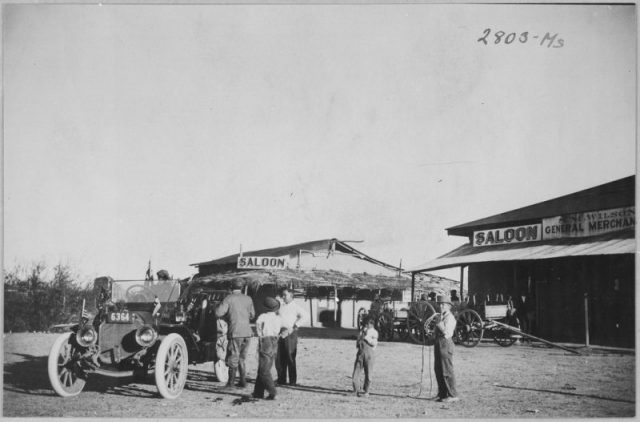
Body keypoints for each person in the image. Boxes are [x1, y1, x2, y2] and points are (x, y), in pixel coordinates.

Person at [215, 279, 255, 389]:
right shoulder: (248, 299)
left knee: (233, 358)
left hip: (235, 332)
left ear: (231, 288)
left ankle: (230, 384)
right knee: (242, 358)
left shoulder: (229, 298)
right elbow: (252, 315)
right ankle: (243, 382)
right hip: (247, 332)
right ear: (241, 288)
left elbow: (218, 312)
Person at [253, 297, 282, 400]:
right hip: (275, 340)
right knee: (265, 367)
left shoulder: (262, 317)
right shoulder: (278, 318)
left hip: (265, 340)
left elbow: (258, 328)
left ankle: (273, 392)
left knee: (263, 370)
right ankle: (258, 392)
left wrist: (260, 336)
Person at [432, 294, 459, 403]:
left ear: (449, 306)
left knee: (447, 370)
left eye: (444, 304)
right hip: (438, 343)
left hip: (446, 343)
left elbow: (447, 333)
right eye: (440, 304)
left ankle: (453, 395)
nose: (441, 306)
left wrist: (439, 324)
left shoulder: (450, 318)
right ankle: (442, 394)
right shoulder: (441, 316)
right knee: (438, 369)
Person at [276, 287, 306, 386]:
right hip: (280, 333)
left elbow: (305, 316)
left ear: (291, 296)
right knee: (280, 357)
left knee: (290, 356)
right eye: (282, 295)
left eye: (285, 295)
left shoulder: (296, 307)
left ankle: (292, 381)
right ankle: (281, 379)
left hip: (290, 333)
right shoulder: (281, 306)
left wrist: (294, 327)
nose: (283, 297)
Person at [352, 317, 378, 397]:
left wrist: (366, 337)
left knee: (368, 373)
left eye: (367, 324)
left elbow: (374, 343)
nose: (365, 326)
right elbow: (358, 340)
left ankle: (366, 391)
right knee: (356, 371)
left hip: (369, 353)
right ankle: (356, 390)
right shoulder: (362, 331)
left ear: (371, 324)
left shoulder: (374, 332)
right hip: (360, 352)